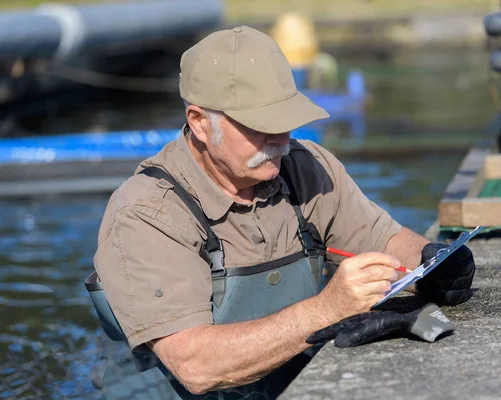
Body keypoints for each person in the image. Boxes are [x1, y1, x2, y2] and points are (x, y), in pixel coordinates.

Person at [91, 25, 476, 400]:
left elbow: (384, 240)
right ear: (200, 123)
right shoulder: (146, 212)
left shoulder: (305, 167)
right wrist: (327, 309)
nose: (280, 139)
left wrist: (432, 263)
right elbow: (194, 366)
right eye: (259, 125)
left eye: (285, 120)